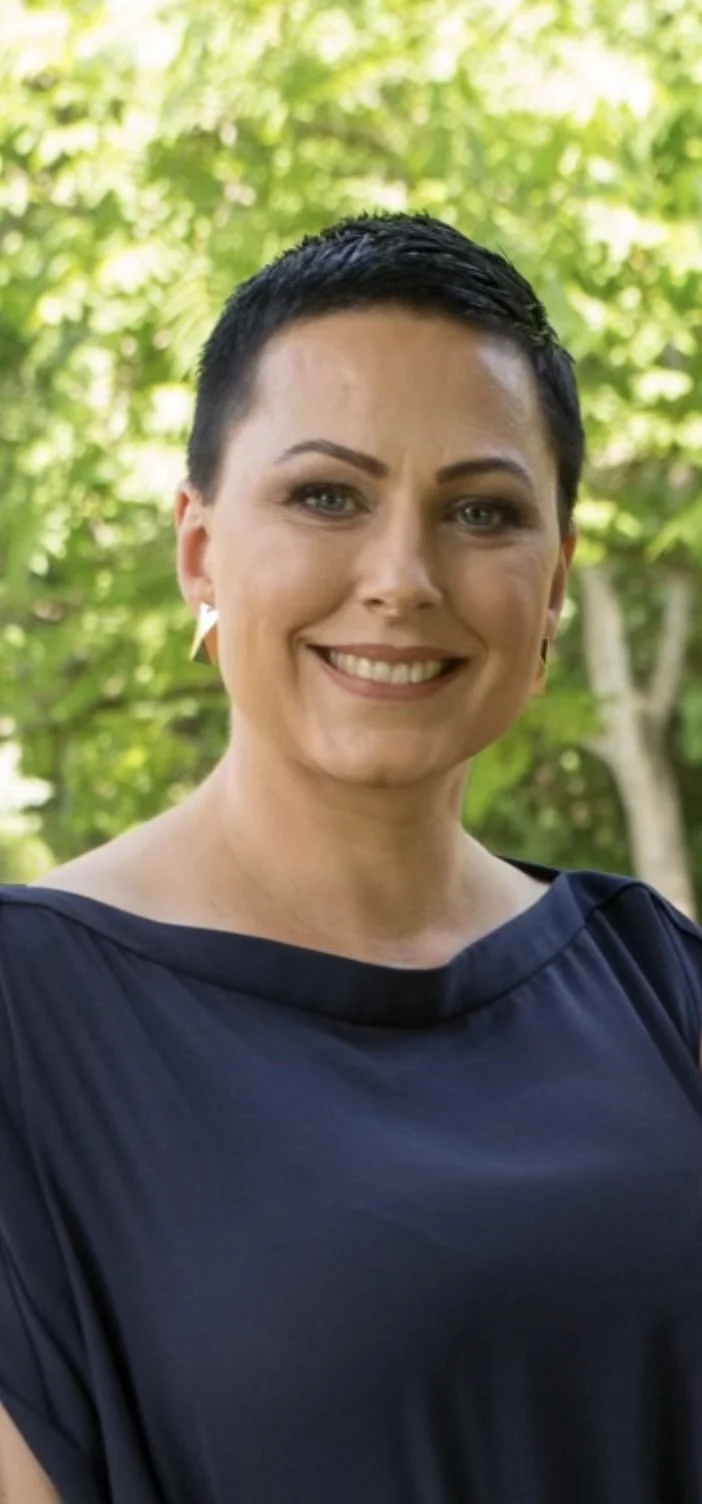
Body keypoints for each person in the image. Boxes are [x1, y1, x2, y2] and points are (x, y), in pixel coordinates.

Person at [1, 212, 700, 1504]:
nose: (402, 577)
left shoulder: (658, 984)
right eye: (327, 494)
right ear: (200, 550)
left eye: (481, 511)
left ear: (550, 587)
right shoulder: (27, 1014)